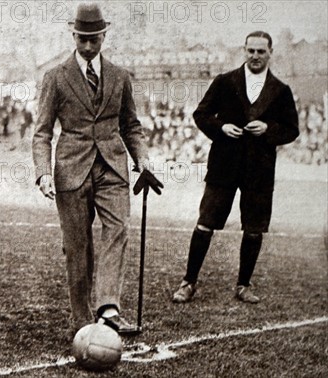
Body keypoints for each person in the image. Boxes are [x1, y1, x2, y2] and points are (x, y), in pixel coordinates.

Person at [32, 3, 162, 336]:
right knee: (78, 245)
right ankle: (81, 317)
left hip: (113, 168)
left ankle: (107, 309)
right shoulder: (55, 78)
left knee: (118, 229)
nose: (88, 46)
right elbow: (43, 132)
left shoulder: (120, 76)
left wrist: (142, 160)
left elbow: (131, 125)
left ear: (104, 35)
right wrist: (44, 173)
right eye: (82, 39)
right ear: (73, 35)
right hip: (71, 170)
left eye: (94, 39)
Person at [172, 31, 299, 304]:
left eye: (261, 51)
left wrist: (268, 129)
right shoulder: (225, 81)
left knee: (254, 228)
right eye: (251, 50)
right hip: (224, 165)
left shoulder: (280, 90)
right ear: (243, 51)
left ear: (270, 53)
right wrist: (221, 127)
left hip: (260, 169)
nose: (255, 56)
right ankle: (188, 282)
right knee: (206, 222)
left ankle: (244, 285)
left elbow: (292, 130)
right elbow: (201, 114)